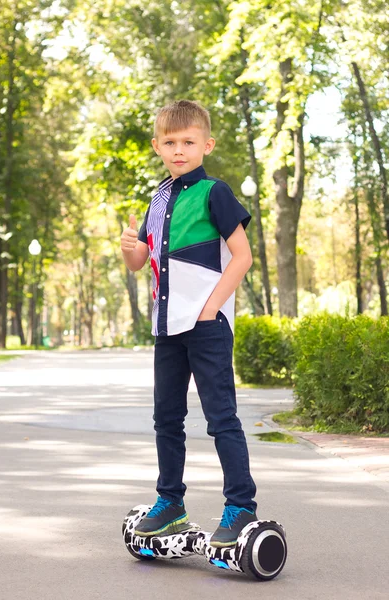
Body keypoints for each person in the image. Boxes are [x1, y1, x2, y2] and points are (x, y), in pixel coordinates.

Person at [120, 100, 257, 547]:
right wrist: (127, 247)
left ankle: (240, 507)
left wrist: (210, 307)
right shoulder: (157, 198)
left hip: (206, 325)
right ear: (158, 146)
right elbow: (141, 261)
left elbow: (243, 256)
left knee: (221, 419)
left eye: (189, 142)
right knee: (167, 419)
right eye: (171, 142)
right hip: (167, 328)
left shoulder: (214, 192)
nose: (179, 150)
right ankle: (171, 503)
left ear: (206, 145)